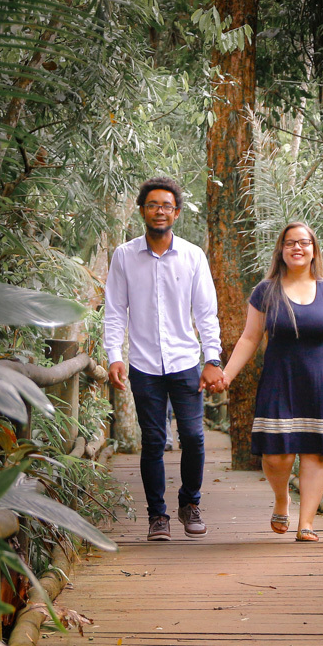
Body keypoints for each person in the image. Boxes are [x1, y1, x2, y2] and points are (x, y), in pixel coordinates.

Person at [212, 222, 323, 542]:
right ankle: (282, 498)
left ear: (313, 250)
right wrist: (227, 374)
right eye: (290, 242)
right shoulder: (265, 291)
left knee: (314, 452)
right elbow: (249, 339)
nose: (297, 247)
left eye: (304, 242)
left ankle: (306, 523)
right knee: (276, 454)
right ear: (281, 250)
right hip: (279, 379)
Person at [104, 176, 224, 541]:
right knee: (153, 441)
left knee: (194, 436)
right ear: (142, 210)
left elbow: (206, 312)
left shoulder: (192, 256)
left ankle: (190, 503)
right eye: (153, 205)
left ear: (177, 212)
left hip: (185, 361)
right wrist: (114, 355)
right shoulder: (125, 255)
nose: (160, 211)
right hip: (142, 364)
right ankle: (158, 515)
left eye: (167, 206)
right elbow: (114, 311)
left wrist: (212, 358)